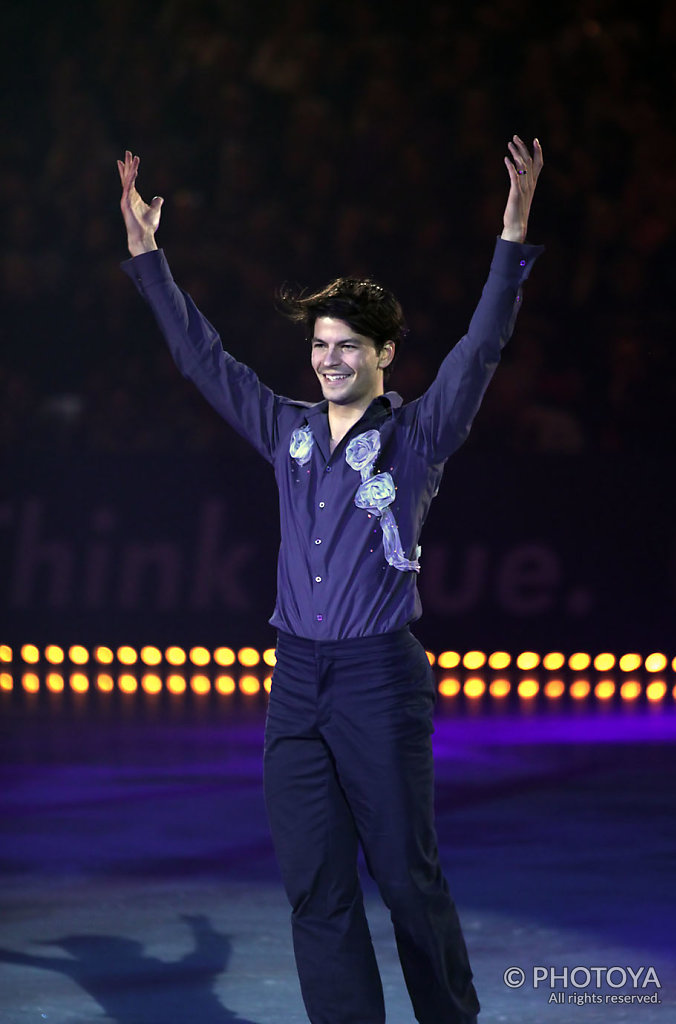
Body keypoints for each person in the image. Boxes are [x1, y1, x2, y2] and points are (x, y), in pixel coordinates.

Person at [118, 134, 543, 1024]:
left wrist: (511, 234)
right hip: (295, 684)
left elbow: (482, 346)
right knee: (314, 891)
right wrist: (148, 257)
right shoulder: (287, 430)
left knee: (406, 880)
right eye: (320, 344)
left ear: (385, 353)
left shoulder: (417, 436)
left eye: (348, 345)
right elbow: (205, 361)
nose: (329, 359)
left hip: (375, 681)